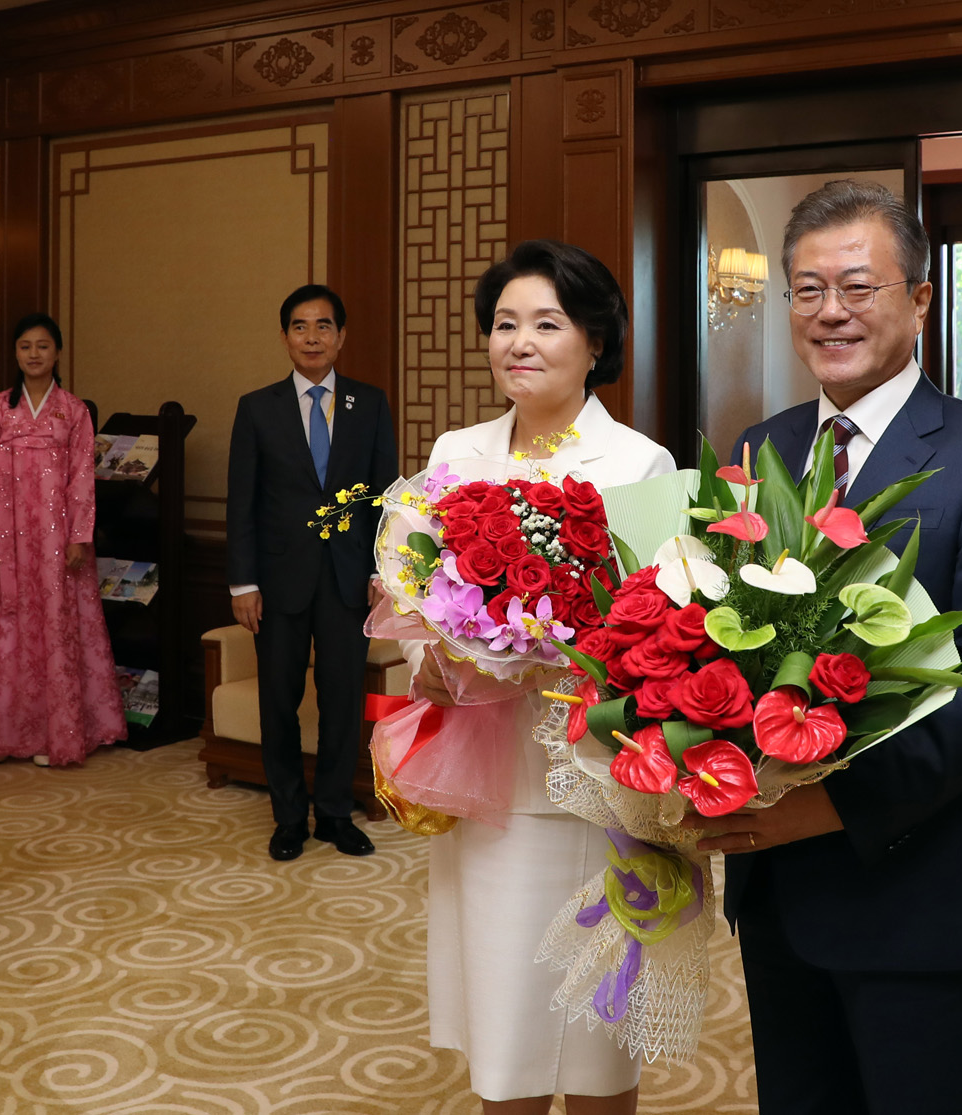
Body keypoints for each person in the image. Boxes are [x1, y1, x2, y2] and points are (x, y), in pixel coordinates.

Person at [710, 179, 962, 1115]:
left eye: (858, 287)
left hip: (925, 892)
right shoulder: (762, 448)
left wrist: (823, 806)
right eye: (808, 289)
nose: (831, 312)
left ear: (918, 298)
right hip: (780, 897)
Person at [411, 240, 676, 1114]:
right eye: (503, 324)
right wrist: (438, 658)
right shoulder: (456, 453)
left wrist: (552, 650)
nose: (518, 342)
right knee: (506, 1036)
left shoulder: (641, 464)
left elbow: (665, 644)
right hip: (487, 784)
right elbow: (411, 597)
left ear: (596, 340)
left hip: (598, 789)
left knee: (598, 1045)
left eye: (546, 324)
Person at [227, 284, 399, 860]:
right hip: (277, 581)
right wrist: (242, 583)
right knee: (278, 698)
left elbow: (383, 498)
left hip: (348, 577)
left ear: (342, 336)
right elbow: (242, 501)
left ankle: (332, 813)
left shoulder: (370, 403)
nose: (312, 337)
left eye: (324, 326)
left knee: (342, 698)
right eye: (300, 327)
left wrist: (384, 572)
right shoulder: (257, 408)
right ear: (284, 337)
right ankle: (287, 817)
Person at [0, 312, 125, 766]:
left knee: (55, 627)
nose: (34, 354)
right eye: (25, 346)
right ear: (15, 353)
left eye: (43, 346)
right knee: (1, 630)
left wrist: (78, 536)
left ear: (58, 352)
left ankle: (56, 736)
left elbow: (83, 476)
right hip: (4, 538)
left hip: (56, 540)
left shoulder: (74, 410)